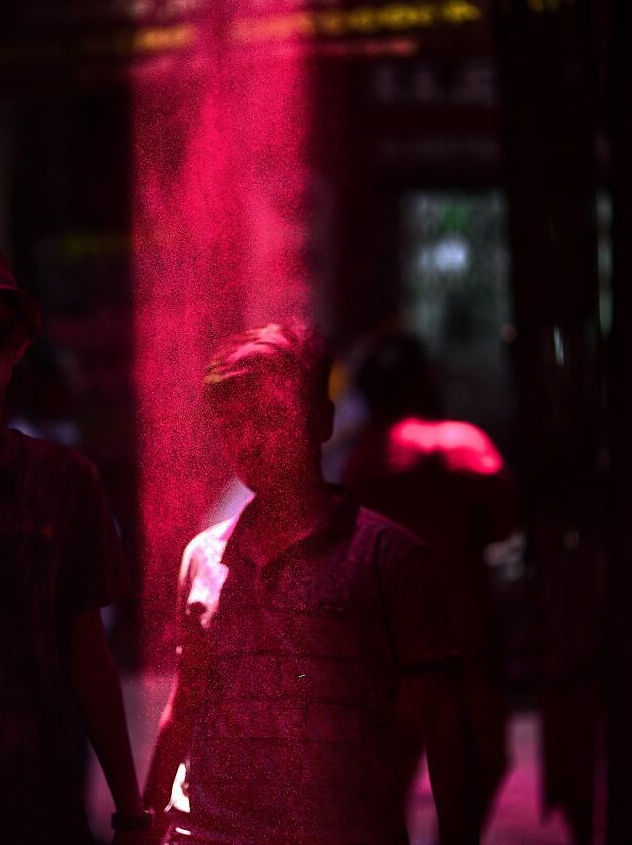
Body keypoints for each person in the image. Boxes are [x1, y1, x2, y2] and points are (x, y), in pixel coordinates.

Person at [144, 322, 479, 845]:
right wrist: (143, 822)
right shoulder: (203, 557)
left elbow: (446, 721)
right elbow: (185, 704)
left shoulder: (389, 559)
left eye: (273, 416)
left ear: (321, 420)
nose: (252, 440)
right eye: (234, 423)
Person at [0, 237, 152, 844]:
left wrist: (131, 811)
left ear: (19, 344)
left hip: (38, 802)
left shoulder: (65, 480)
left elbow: (87, 652)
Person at [344, 333, 516, 829]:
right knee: (472, 776)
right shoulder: (460, 445)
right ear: (423, 380)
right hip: (461, 650)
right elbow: (506, 516)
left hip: (383, 659)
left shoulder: (361, 461)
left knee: (384, 793)